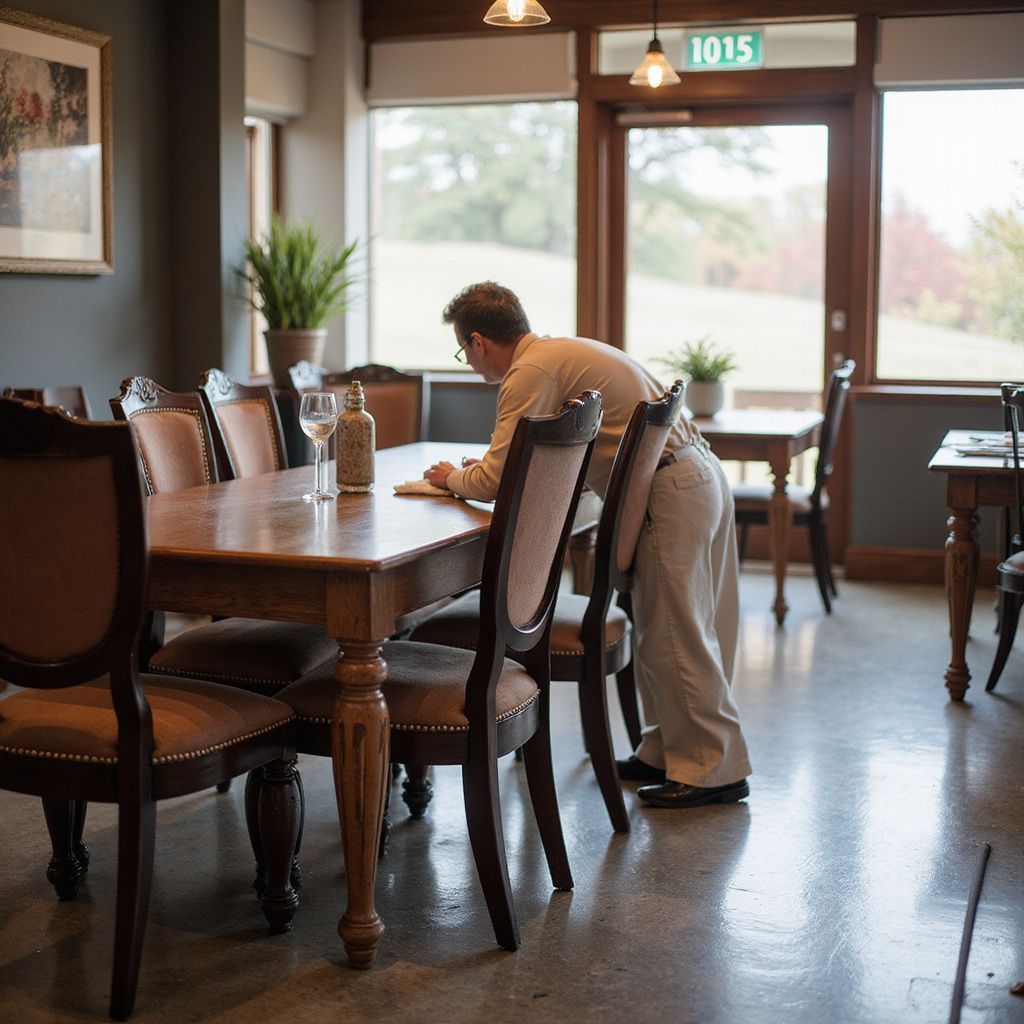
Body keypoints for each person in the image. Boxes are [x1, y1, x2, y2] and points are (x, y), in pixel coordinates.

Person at [423, 281, 751, 808]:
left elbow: (496, 479)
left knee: (675, 631)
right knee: (679, 626)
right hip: (696, 475)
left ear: (480, 342)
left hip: (670, 491)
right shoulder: (561, 352)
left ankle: (713, 771)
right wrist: (481, 472)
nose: (471, 364)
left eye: (465, 353)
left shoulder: (530, 372)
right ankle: (670, 752)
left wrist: (449, 479)